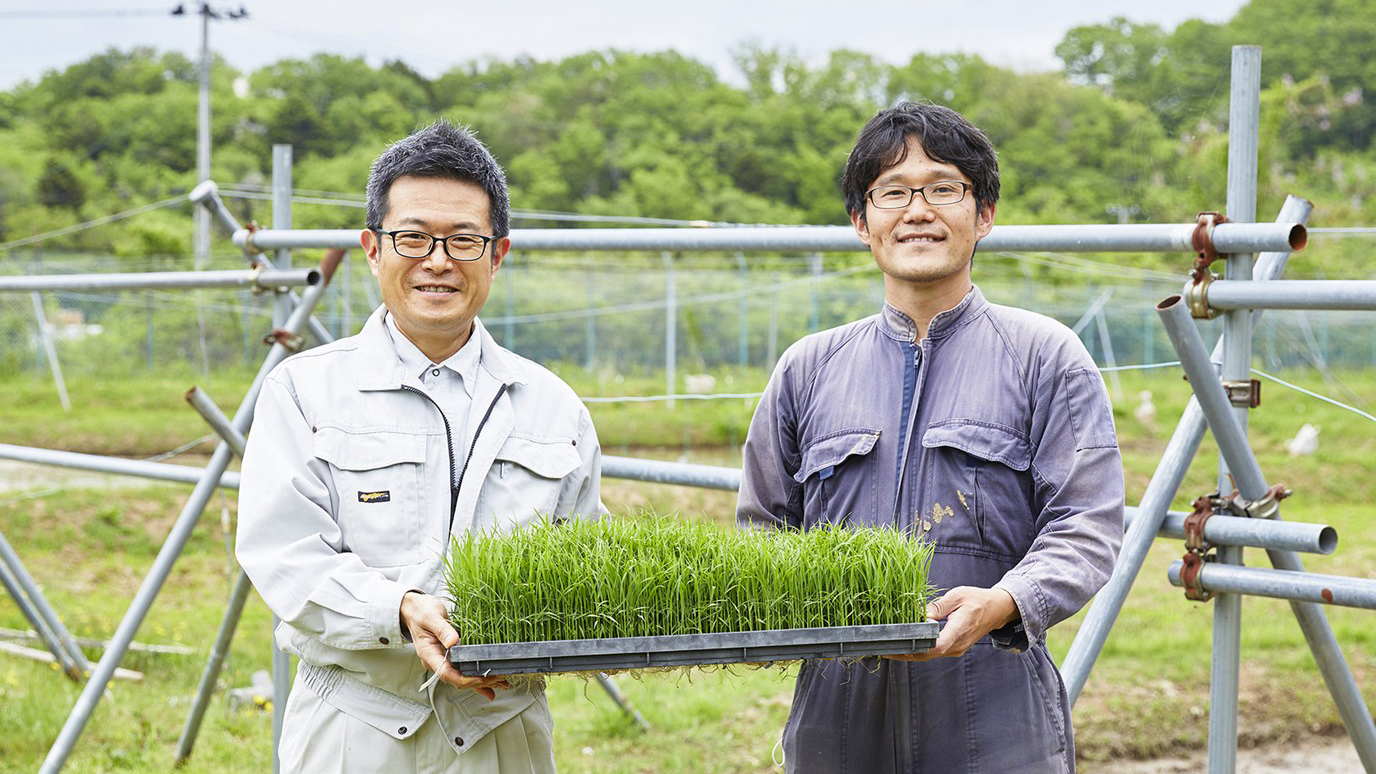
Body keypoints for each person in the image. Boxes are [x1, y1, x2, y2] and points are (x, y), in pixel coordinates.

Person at [736, 102, 1124, 773]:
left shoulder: (1045, 356)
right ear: (862, 222)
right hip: (838, 717)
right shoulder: (807, 368)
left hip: (994, 712)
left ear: (986, 214)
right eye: (892, 192)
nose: (918, 210)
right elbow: (761, 533)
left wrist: (1004, 602)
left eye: (944, 188)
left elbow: (1085, 527)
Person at [237, 120, 604, 773]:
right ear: (373, 249)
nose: (438, 260)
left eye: (465, 240)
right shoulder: (304, 391)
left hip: (504, 731)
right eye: (413, 237)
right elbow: (284, 556)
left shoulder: (554, 408)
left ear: (499, 254)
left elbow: (585, 568)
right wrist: (399, 610)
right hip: (358, 730)